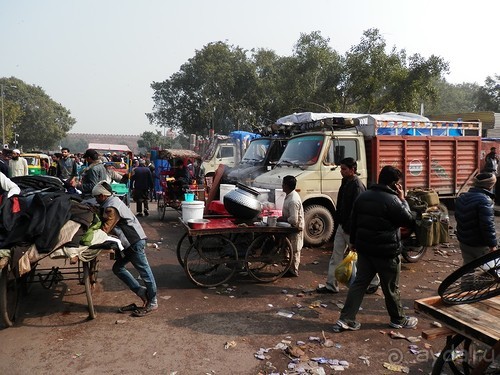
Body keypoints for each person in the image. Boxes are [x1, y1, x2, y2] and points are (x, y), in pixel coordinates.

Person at [333, 166, 417, 332]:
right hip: (386, 252)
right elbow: (408, 220)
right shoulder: (393, 200)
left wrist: (354, 243)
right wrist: (403, 199)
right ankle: (398, 319)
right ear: (394, 184)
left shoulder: (363, 196)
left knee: (359, 284)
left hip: (365, 250)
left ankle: (346, 319)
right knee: (390, 287)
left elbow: (354, 222)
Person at [91, 180, 158, 317]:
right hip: (129, 242)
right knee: (118, 268)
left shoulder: (111, 208)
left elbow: (105, 229)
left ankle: (153, 301)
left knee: (145, 272)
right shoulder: (112, 201)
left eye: (97, 197)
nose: (96, 200)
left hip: (133, 242)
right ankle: (141, 292)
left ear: (103, 196)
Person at [317, 158, 379, 294]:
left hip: (352, 229)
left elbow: (357, 211)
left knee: (362, 257)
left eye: (344, 169)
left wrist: (351, 228)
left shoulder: (357, 186)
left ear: (353, 170)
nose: (341, 171)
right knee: (336, 256)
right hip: (342, 226)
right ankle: (331, 285)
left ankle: (374, 282)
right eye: (341, 169)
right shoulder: (346, 182)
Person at [455, 172, 497, 265]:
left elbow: (458, 218)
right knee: (489, 272)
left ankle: (467, 280)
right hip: (479, 244)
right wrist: (492, 245)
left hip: (464, 242)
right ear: (490, 185)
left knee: (467, 269)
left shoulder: (462, 197)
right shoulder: (485, 200)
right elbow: (487, 225)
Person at [277, 175, 304, 277]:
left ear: (287, 186)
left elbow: (294, 219)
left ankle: (293, 270)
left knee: (295, 248)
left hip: (295, 227)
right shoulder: (289, 195)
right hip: (290, 226)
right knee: (290, 248)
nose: (282, 185)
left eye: (283, 184)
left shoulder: (293, 200)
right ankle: (289, 267)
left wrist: (284, 219)